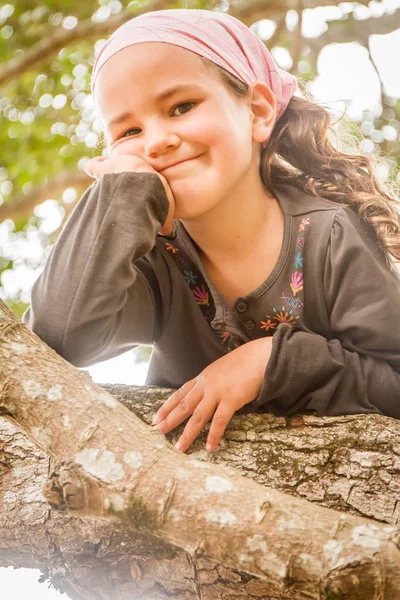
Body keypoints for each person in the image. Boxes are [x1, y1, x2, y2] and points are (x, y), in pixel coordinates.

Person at [24, 9, 400, 454]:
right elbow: (57, 344)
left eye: (182, 107)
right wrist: (123, 190)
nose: (156, 140)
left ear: (258, 111)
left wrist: (271, 362)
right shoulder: (153, 261)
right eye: (129, 131)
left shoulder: (330, 236)